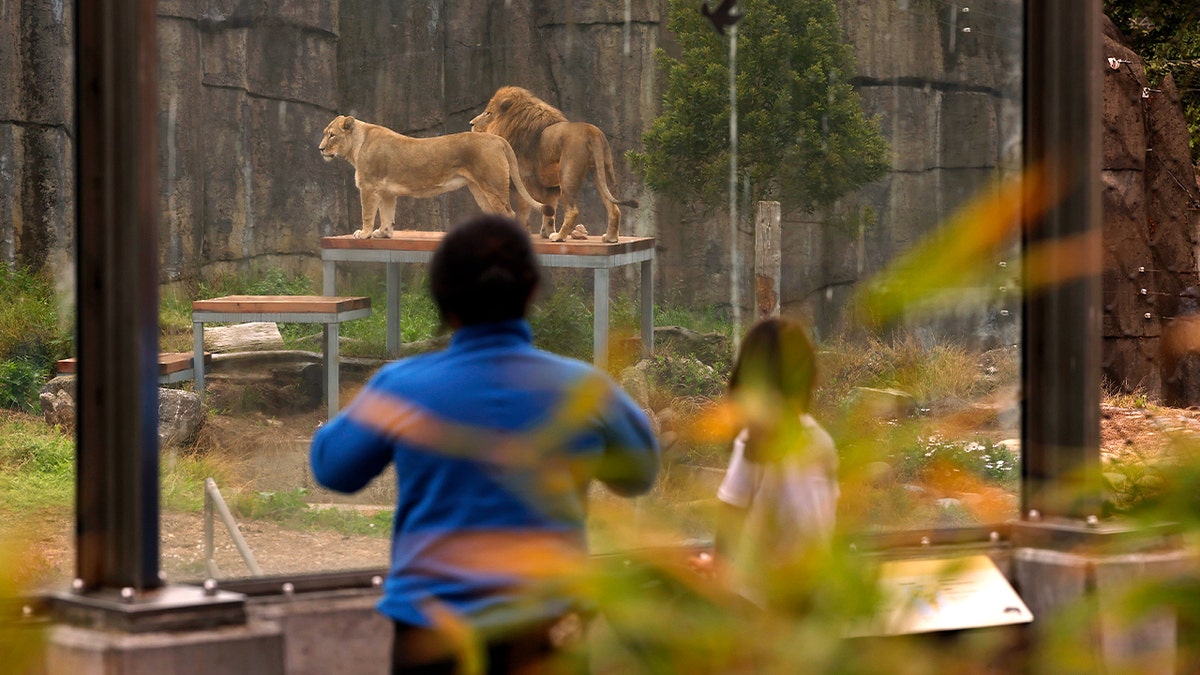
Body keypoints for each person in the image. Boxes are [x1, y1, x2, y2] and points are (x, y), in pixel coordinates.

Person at [310, 215, 660, 674]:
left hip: (432, 638)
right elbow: (639, 475)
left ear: (442, 299)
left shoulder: (401, 386)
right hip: (547, 634)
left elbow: (332, 467)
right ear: (531, 292)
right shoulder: (584, 390)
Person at [693, 317, 839, 609]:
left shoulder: (753, 443)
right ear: (809, 379)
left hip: (762, 602)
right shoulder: (821, 441)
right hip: (814, 597)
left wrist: (718, 565)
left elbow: (731, 511)